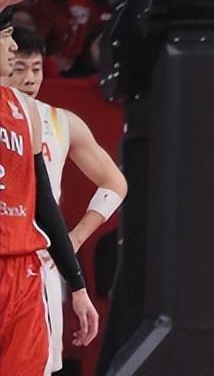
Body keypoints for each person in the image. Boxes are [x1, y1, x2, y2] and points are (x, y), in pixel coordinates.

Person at [8, 25, 127, 374]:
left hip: (37, 262)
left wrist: (74, 239)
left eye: (36, 68)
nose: (30, 78)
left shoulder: (59, 121)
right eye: (19, 68)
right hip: (6, 250)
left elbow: (114, 183)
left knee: (36, 365)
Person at [0, 0, 98, 376]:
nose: (12, 47)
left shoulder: (26, 112)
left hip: (24, 269)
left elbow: (45, 205)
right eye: (4, 37)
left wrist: (77, 285)